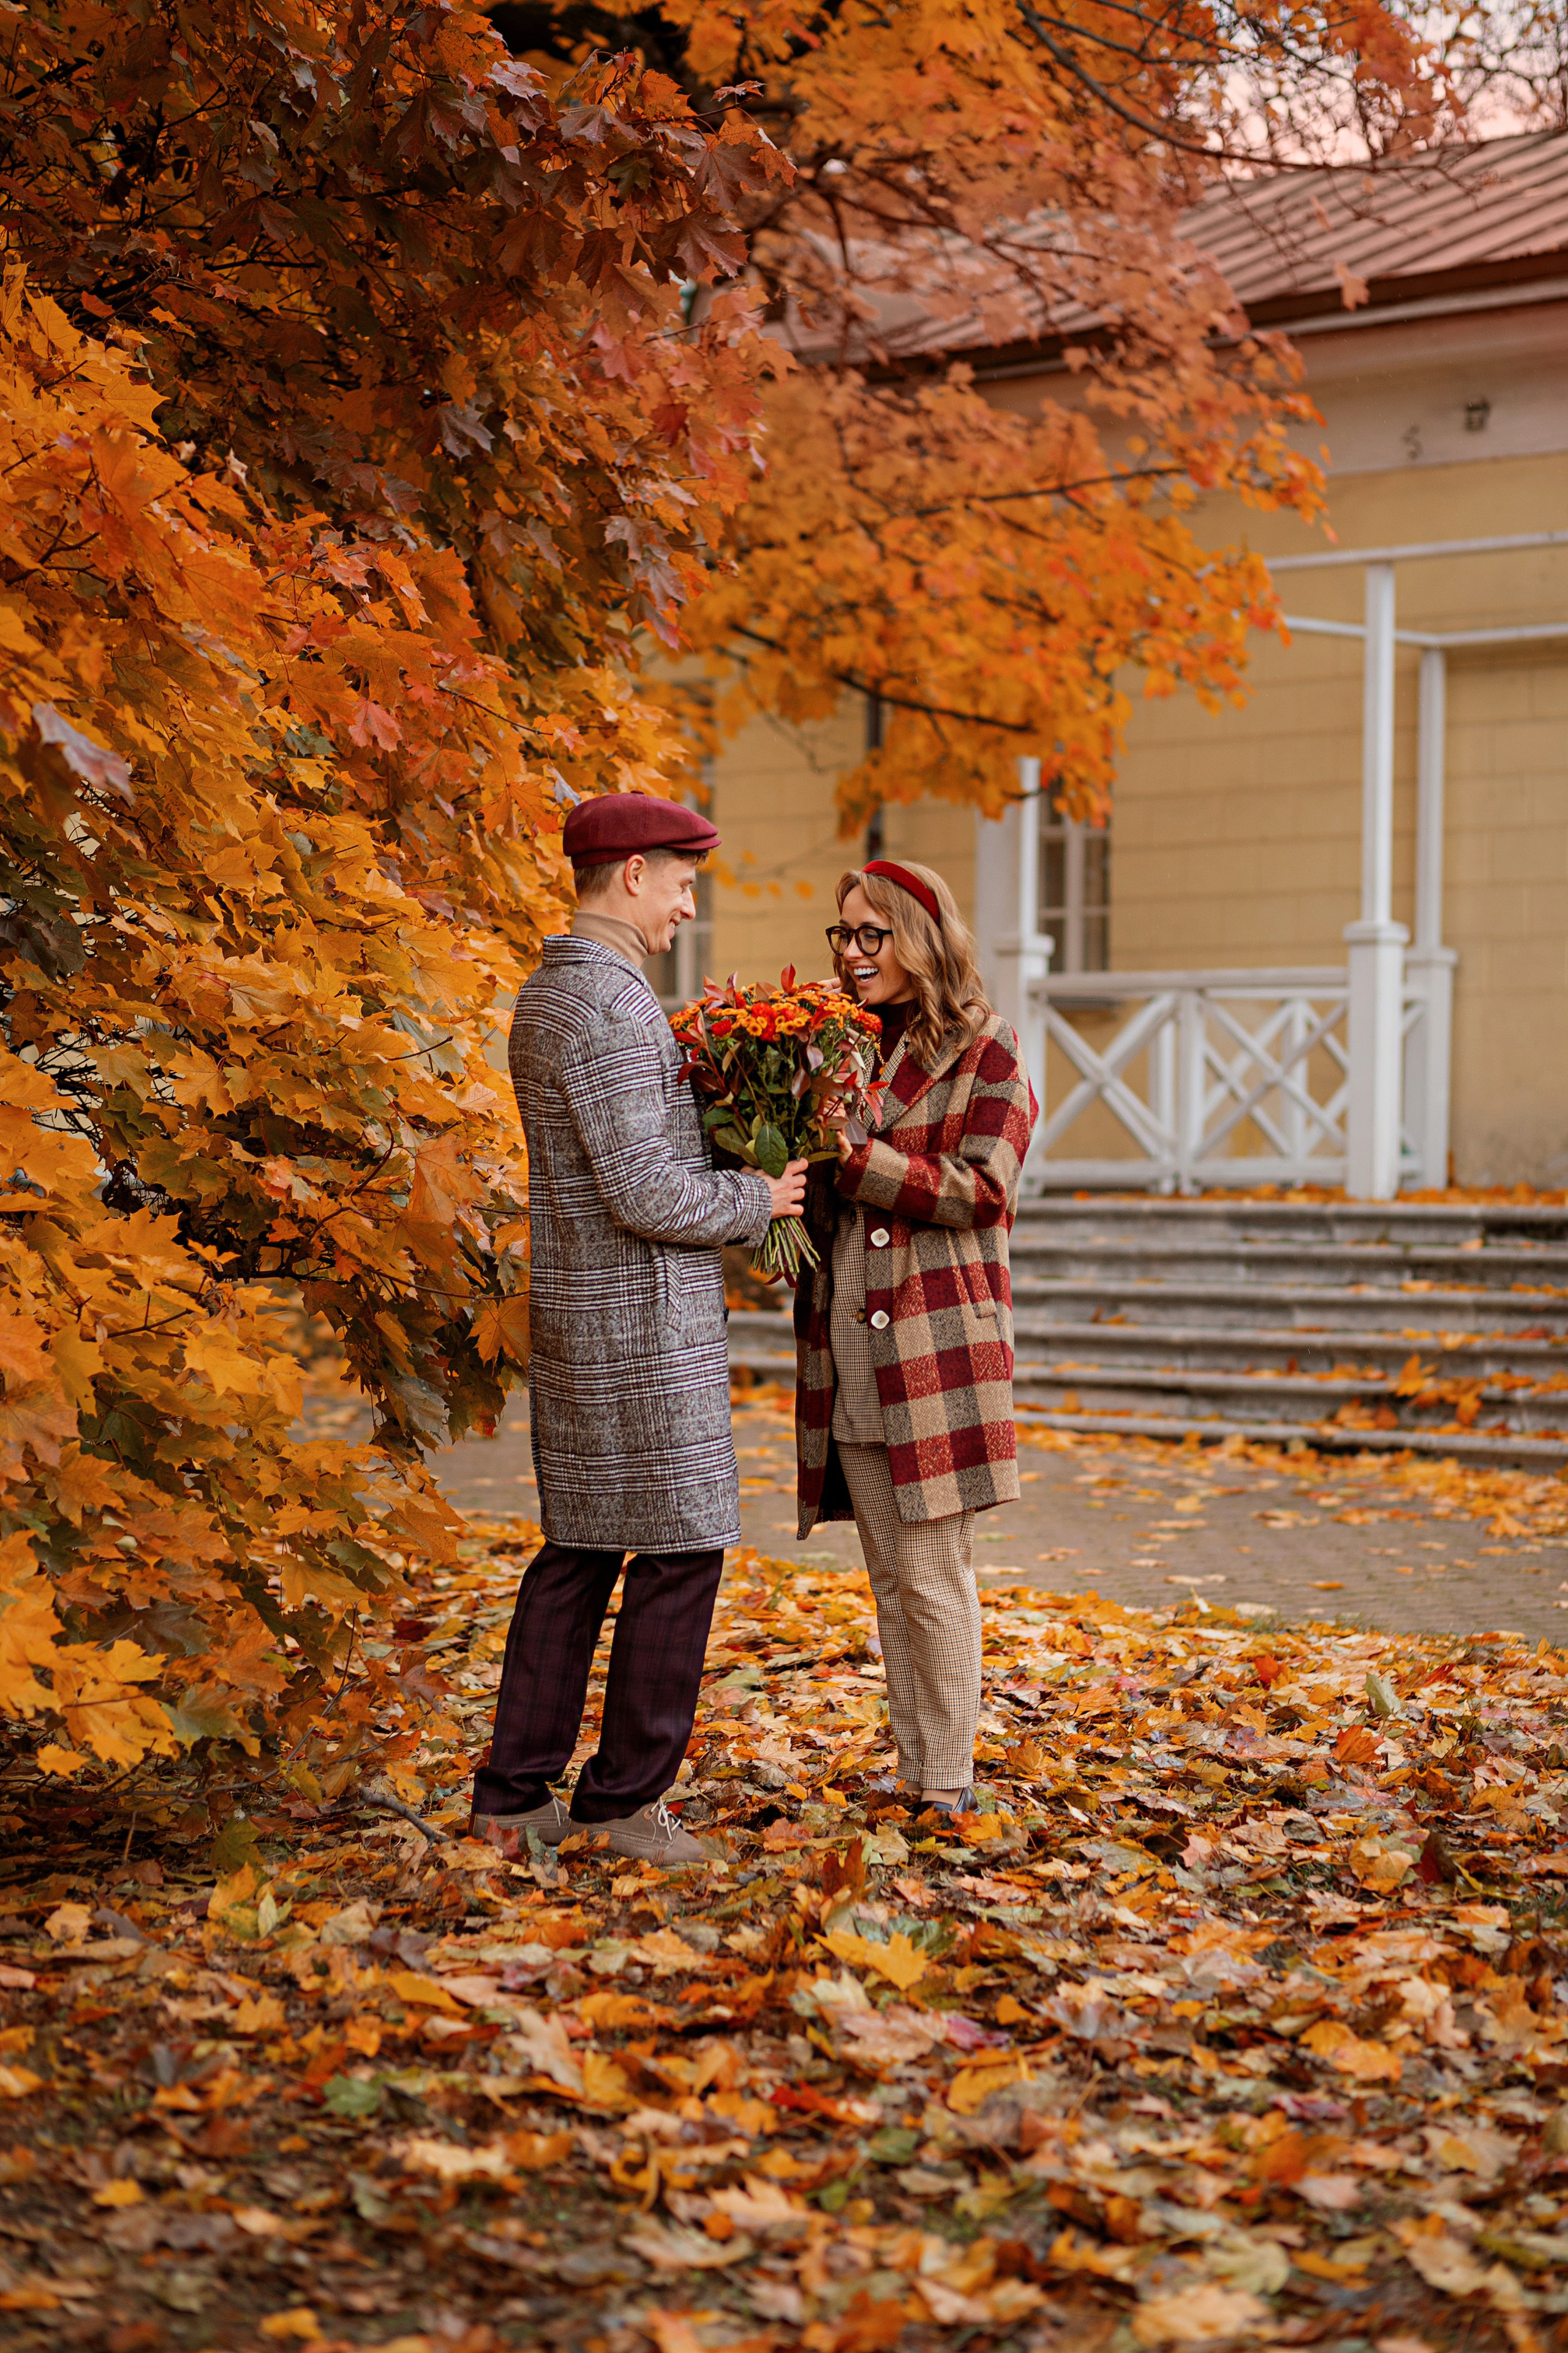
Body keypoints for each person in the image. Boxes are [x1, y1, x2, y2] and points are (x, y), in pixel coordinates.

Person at [470, 793, 808, 1866]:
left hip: (588, 1314)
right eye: (679, 880)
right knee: (680, 1554)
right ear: (629, 876)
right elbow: (644, 1192)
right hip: (641, 1329)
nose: (685, 903)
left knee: (579, 1551)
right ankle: (621, 1803)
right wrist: (764, 1196)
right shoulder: (610, 1006)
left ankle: (513, 1793)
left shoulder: (557, 994)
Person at [794, 857, 1037, 1813]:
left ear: (920, 939)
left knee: (935, 1574)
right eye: (842, 935)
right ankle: (914, 1768)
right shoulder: (835, 1046)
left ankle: (948, 1781)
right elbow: (825, 1184)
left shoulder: (991, 1051)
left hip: (937, 1346)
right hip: (848, 1339)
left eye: (871, 935)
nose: (852, 954)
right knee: (892, 1578)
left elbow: (984, 1190)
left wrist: (859, 1162)